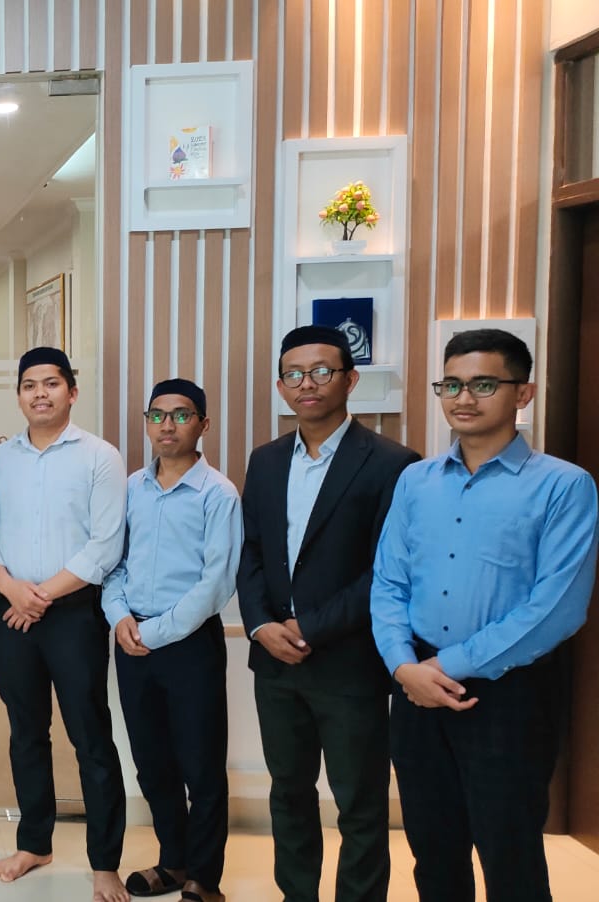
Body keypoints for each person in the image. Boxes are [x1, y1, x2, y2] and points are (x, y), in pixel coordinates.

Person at [371, 328, 598, 902]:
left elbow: (556, 608)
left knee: (509, 851)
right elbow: (389, 582)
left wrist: (445, 666)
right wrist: (403, 665)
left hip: (509, 690)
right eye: (451, 384)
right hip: (416, 687)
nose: (463, 398)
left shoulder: (564, 486)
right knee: (432, 849)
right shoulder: (415, 481)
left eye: (483, 384)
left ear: (523, 393)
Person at [237, 325, 419, 902]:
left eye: (321, 371)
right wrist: (261, 625)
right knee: (288, 794)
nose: (306, 384)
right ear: (280, 386)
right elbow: (252, 552)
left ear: (350, 379)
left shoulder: (392, 463)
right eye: (293, 374)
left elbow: (387, 570)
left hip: (348, 663)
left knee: (359, 804)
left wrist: (311, 627)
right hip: (276, 664)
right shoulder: (266, 461)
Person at [0, 346, 130, 901]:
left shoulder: (100, 456)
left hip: (73, 614)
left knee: (91, 736)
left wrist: (39, 596)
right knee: (26, 732)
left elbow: (106, 544)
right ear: (18, 395)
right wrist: (12, 589)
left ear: (72, 391)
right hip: (9, 611)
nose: (40, 393)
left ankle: (105, 862)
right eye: (29, 385)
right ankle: (35, 842)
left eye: (51, 384)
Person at [101, 379, 240, 902]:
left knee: (201, 766)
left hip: (188, 644)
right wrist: (120, 617)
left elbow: (216, 583)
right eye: (157, 415)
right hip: (132, 639)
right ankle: (174, 862)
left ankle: (205, 878)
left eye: (181, 415)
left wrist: (153, 631)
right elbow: (113, 563)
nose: (167, 425)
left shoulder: (218, 494)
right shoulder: (131, 488)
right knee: (152, 762)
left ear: (203, 425)